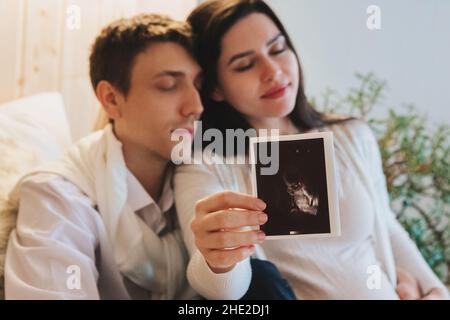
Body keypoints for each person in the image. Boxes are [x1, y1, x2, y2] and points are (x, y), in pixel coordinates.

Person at [174, 0, 449, 300]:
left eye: (277, 49)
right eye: (245, 64)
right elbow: (219, 290)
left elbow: (387, 227)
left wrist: (435, 290)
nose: (273, 71)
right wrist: (218, 261)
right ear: (215, 88)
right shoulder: (208, 165)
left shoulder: (351, 136)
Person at [4, 14, 204, 299]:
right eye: (169, 85)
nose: (194, 106)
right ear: (111, 99)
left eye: (198, 84)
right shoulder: (56, 198)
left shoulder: (205, 177)